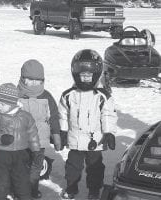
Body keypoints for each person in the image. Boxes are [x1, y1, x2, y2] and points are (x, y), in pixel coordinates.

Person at [58, 49, 117, 200]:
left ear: (96, 75)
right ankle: (71, 187)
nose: (85, 79)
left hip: (95, 140)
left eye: (88, 76)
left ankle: (94, 190)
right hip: (75, 139)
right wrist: (63, 132)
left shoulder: (102, 96)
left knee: (95, 167)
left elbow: (108, 115)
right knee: (72, 167)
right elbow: (63, 115)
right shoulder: (69, 95)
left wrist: (109, 132)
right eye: (82, 76)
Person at [0, 83, 41, 200]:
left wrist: (36, 150)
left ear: (12, 103)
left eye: (2, 104)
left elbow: (32, 134)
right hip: (0, 154)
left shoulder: (25, 116)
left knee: (22, 181)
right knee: (0, 182)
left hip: (21, 154)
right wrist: (1, 138)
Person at [17, 59, 61, 198]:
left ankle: (32, 189)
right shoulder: (16, 95)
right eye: (30, 79)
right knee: (21, 167)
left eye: (38, 80)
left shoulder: (46, 96)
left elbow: (53, 116)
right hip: (20, 141)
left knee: (36, 167)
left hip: (40, 141)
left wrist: (57, 135)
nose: (34, 83)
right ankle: (20, 191)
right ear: (23, 78)